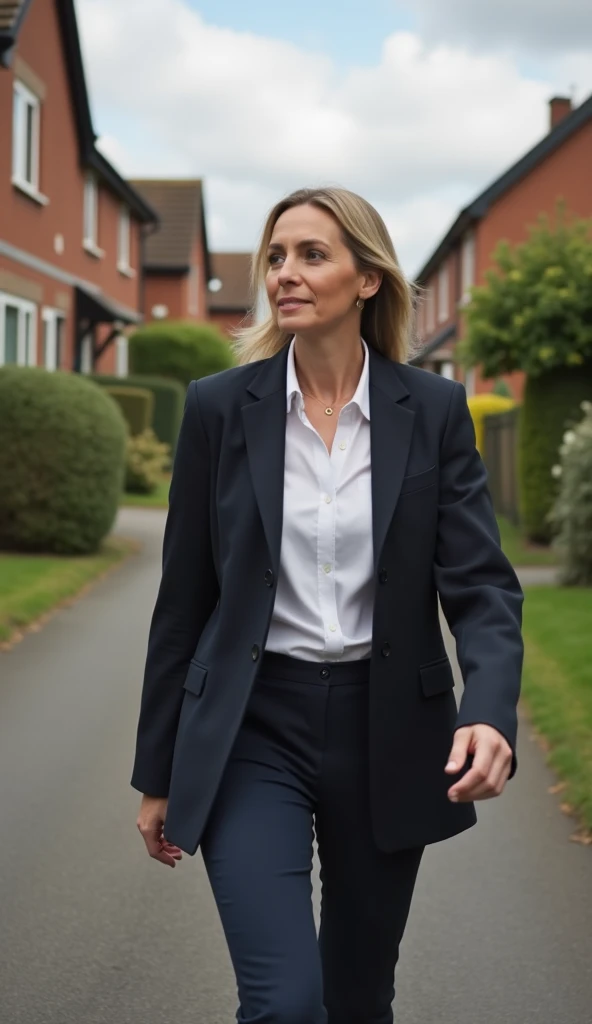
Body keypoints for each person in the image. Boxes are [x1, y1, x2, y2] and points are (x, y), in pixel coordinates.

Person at [131, 186, 524, 1024]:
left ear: (367, 279)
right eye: (276, 256)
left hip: (387, 728)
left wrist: (489, 711)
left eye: (312, 255)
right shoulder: (216, 410)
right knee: (284, 1002)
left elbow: (483, 586)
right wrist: (158, 770)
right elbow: (182, 602)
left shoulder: (436, 413)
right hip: (251, 727)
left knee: (355, 999)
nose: (286, 273)